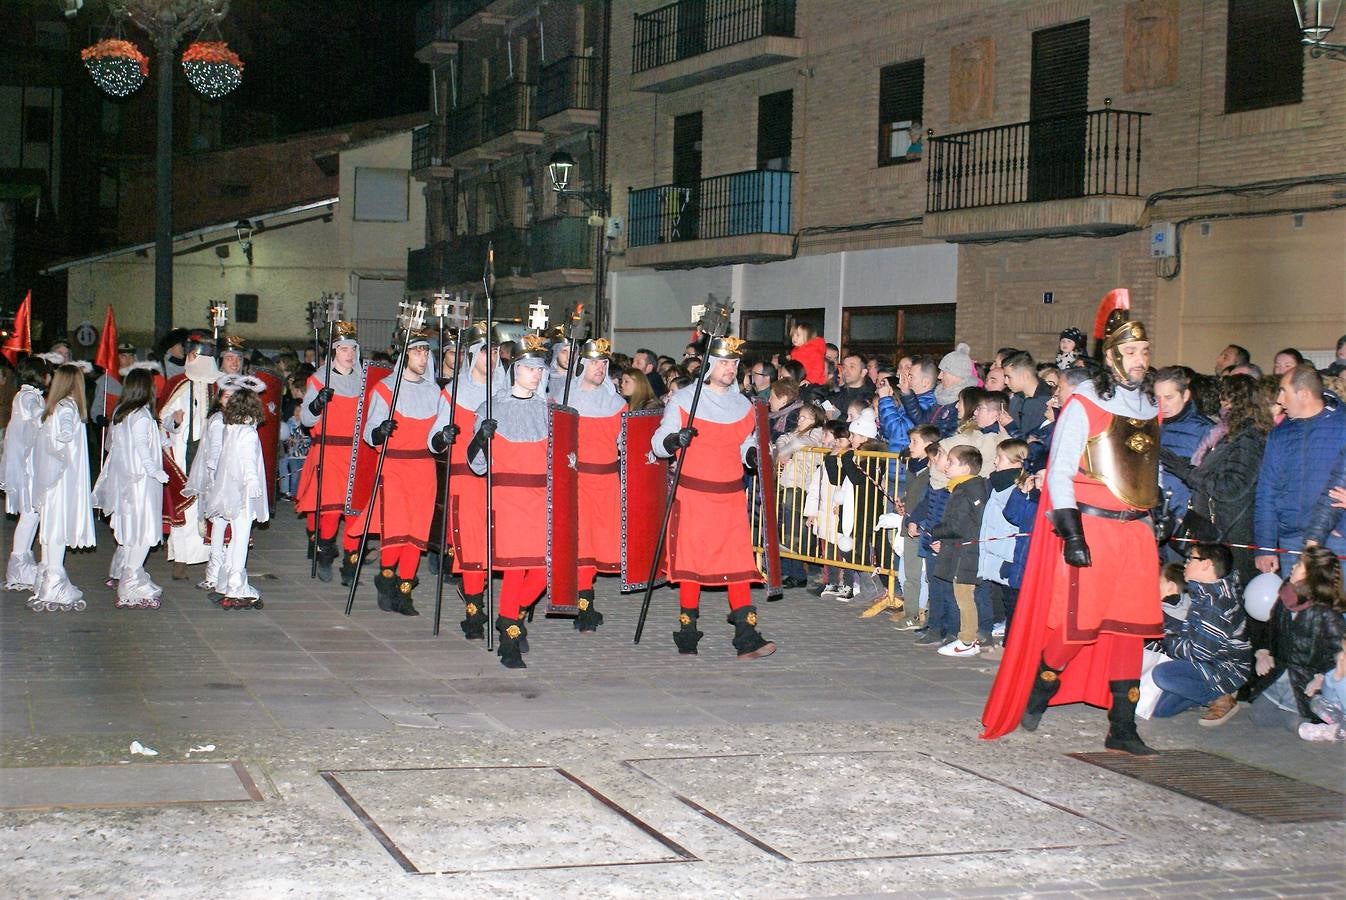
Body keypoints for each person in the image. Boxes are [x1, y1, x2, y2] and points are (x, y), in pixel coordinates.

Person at [982, 293, 1163, 755]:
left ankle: (1122, 726)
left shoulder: (1149, 406)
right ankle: (1040, 690)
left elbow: (1147, 468)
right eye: (1132, 351)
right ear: (1113, 356)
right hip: (1094, 527)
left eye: (1144, 351)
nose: (1141, 359)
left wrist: (1159, 512)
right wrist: (1072, 533)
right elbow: (1060, 471)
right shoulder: (1084, 404)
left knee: (1131, 628)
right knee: (1077, 627)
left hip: (1136, 530)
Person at [652, 336, 776, 659]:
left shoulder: (744, 405)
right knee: (693, 564)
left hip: (730, 497)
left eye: (734, 363)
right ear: (709, 365)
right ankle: (688, 630)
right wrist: (675, 439)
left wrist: (751, 457)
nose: (730, 369)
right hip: (693, 495)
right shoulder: (683, 400)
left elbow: (746, 442)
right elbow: (656, 443)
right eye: (723, 362)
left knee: (738, 564)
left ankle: (747, 635)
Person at [466, 334, 551, 668]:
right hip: (508, 498)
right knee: (515, 570)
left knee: (545, 571)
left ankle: (509, 617)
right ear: (515, 369)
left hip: (540, 499)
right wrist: (482, 437)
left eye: (540, 369)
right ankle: (509, 640)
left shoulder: (549, 410)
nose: (536, 374)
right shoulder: (491, 407)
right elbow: (475, 463)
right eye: (529, 368)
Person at [347, 329, 440, 616]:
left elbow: (437, 434)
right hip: (394, 466)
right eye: (416, 351)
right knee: (397, 529)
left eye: (426, 351)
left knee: (417, 533)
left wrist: (443, 437)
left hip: (424, 467)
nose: (422, 357)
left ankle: (405, 590)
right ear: (404, 355)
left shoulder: (435, 391)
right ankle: (386, 579)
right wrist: (380, 430)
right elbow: (369, 434)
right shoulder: (387, 389)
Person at [1159, 375, 1272, 587]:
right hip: (1219, 530)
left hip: (1232, 534)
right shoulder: (1230, 433)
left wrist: (1186, 471)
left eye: (1226, 400)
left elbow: (1230, 488)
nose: (1221, 406)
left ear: (1239, 402)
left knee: (1229, 596)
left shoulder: (1248, 437)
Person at [428, 324, 499, 640]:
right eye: (487, 351)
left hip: (502, 482)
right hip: (466, 479)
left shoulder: (507, 391)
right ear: (472, 355)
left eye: (497, 351)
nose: (494, 357)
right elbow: (433, 439)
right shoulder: (453, 392)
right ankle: (475, 608)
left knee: (497, 546)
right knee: (471, 545)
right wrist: (443, 437)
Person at [1254, 364, 1346, 574]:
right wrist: (1265, 546)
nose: (1279, 400)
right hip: (1291, 540)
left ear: (1304, 394)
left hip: (1337, 538)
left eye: (1284, 391)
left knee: (1338, 605)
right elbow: (1267, 491)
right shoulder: (1280, 434)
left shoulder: (1343, 425)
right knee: (1296, 605)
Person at [1246, 546, 1346, 731]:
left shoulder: (1328, 615)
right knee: (1258, 716)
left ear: (1313, 576)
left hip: (1306, 680)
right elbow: (1270, 631)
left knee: (1294, 722)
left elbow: (1339, 654)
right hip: (1283, 673)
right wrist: (1264, 653)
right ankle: (1318, 724)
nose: (1293, 567)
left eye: (1300, 564)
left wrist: (1322, 678)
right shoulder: (1286, 599)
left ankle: (1319, 724)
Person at [92, 368, 168, 609]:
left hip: (130, 481)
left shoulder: (123, 413)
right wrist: (155, 471)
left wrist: (170, 429)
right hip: (140, 484)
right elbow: (143, 448)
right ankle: (131, 580)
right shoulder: (141, 416)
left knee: (134, 532)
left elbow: (125, 444)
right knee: (143, 531)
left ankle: (132, 573)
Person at [1150, 543, 1251, 723]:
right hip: (1208, 664)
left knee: (1162, 675)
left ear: (1206, 564)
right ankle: (1207, 693)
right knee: (1159, 709)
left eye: (1191, 559)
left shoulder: (1217, 602)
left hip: (1224, 669)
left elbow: (1198, 653)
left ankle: (1219, 695)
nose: (1186, 563)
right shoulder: (1204, 595)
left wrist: (1165, 636)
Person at [565, 338, 625, 631]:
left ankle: (584, 604)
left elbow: (624, 443)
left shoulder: (617, 404)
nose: (600, 368)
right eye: (595, 363)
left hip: (607, 482)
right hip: (576, 481)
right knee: (581, 544)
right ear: (583, 365)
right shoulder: (566, 398)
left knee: (599, 544)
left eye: (604, 363)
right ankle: (584, 605)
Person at [195, 376, 270, 610]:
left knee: (236, 536)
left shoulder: (231, 427)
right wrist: (253, 481)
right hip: (244, 492)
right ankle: (237, 583)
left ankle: (227, 581)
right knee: (239, 538)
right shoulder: (247, 432)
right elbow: (248, 461)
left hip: (230, 488)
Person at [295, 322, 362, 583]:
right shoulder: (319, 379)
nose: (349, 354)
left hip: (356, 453)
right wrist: (317, 403)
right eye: (344, 348)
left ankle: (351, 564)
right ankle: (324, 554)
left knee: (355, 511)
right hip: (330, 451)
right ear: (334, 351)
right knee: (331, 509)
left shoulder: (364, 380)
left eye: (352, 349)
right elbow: (308, 421)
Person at [28, 364, 95, 611]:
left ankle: (48, 574)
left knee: (51, 527)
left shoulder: (54, 408)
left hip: (54, 480)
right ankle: (54, 580)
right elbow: (65, 434)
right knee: (56, 526)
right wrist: (66, 434)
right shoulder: (67, 407)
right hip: (62, 480)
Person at [159, 333, 219, 579]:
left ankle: (211, 557)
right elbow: (163, 419)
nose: (190, 359)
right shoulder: (177, 383)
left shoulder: (218, 385)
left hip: (210, 451)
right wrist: (173, 421)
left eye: (196, 355)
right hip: (184, 452)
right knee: (186, 505)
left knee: (209, 505)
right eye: (190, 355)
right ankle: (182, 558)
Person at [930, 444, 989, 657]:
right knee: (962, 595)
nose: (946, 465)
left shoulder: (967, 491)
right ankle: (966, 638)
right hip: (961, 549)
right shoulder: (962, 488)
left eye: (952, 462)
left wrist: (936, 531)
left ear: (965, 468)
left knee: (964, 596)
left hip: (967, 553)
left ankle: (967, 640)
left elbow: (958, 526)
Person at [1, 356, 50, 591]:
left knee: (32, 515)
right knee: (31, 514)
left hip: (28, 462)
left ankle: (21, 562)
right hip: (29, 466)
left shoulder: (26, 395)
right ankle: (19, 564)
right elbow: (38, 419)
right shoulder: (29, 396)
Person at [1154, 366, 1214, 549]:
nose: (1162, 404)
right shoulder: (1148, 424)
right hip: (1151, 518)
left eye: (1169, 397)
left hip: (1183, 523)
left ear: (1185, 395)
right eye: (1157, 398)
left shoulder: (1205, 430)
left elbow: (1208, 482)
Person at [183, 375, 233, 592]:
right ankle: (214, 574)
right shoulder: (219, 420)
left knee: (227, 529)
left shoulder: (232, 419)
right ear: (219, 399)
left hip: (230, 479)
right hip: (220, 480)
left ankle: (225, 572)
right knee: (220, 527)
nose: (230, 400)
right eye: (227, 396)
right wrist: (216, 480)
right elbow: (213, 455)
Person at [775, 401, 827, 589]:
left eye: (804, 417)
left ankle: (798, 572)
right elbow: (781, 440)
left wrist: (787, 450)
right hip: (787, 485)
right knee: (785, 529)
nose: (799, 420)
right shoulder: (794, 433)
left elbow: (801, 443)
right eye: (799, 417)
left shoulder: (817, 433)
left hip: (800, 487)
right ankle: (788, 569)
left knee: (795, 531)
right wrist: (785, 450)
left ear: (815, 419)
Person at [893, 424, 939, 631]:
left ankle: (916, 613)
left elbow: (928, 500)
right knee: (909, 572)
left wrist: (915, 517)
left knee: (919, 574)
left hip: (922, 527)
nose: (910, 446)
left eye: (915, 442)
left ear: (929, 445)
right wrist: (903, 502)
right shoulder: (916, 468)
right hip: (910, 525)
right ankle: (911, 612)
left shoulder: (932, 472)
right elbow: (914, 496)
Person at [931, 343, 977, 437]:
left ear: (956, 375)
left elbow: (950, 434)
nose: (939, 377)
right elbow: (925, 419)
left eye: (943, 373)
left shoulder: (965, 402)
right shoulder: (941, 396)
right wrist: (908, 394)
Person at [1003, 352, 1052, 436]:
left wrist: (1010, 426)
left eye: (1009, 377)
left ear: (1025, 376)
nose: (1005, 382)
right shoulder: (1015, 399)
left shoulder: (1049, 403)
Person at [788, 322, 827, 386]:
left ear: (808, 336)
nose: (794, 338)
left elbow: (818, 368)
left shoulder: (813, 350)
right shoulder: (796, 351)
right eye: (793, 335)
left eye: (798, 335)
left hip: (813, 384)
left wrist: (809, 380)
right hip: (800, 382)